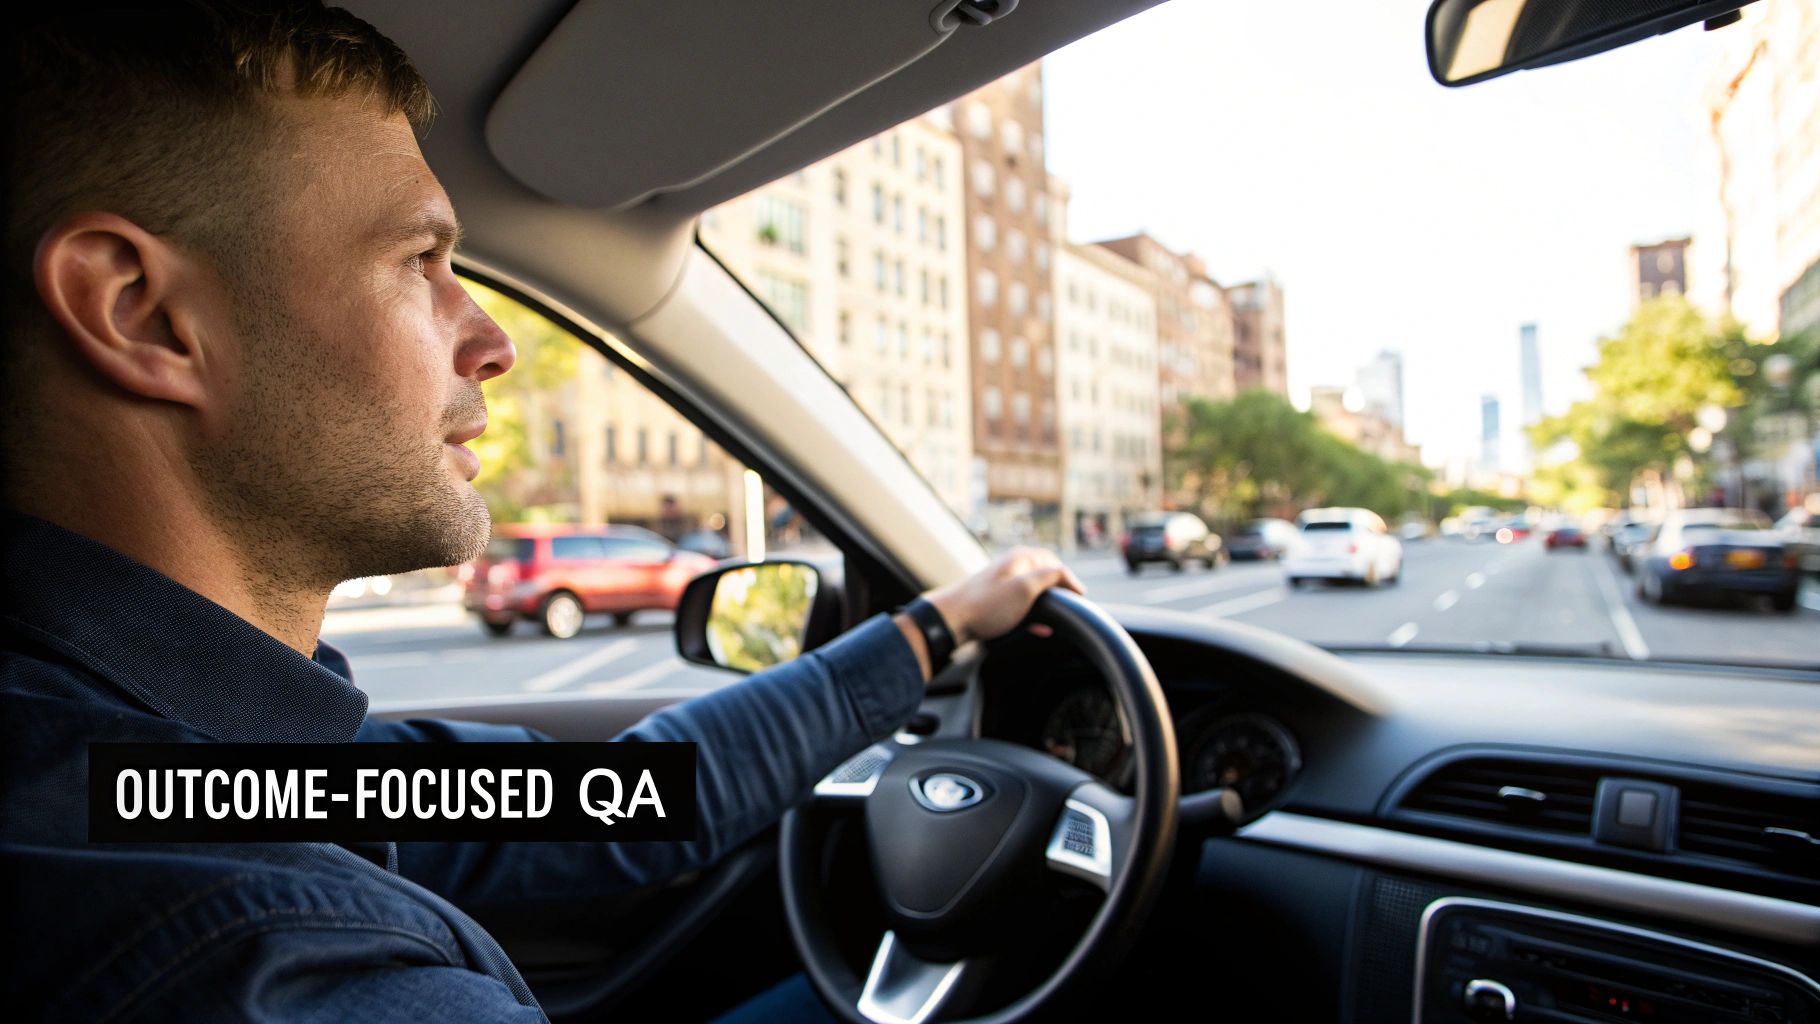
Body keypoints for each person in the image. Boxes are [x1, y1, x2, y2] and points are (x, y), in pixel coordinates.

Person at [0, 3, 1085, 1020]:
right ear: (142, 314)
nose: (492, 340)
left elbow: (640, 798)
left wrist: (932, 626)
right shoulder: (281, 963)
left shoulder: (183, 773)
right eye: (418, 260)